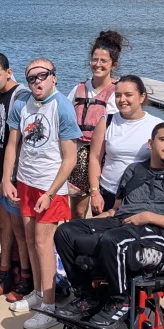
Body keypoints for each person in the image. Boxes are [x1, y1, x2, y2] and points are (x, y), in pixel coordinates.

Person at [54, 122, 164, 328]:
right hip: (123, 223)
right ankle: (87, 296)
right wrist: (101, 218)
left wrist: (147, 217)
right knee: (66, 231)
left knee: (114, 239)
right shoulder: (134, 170)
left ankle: (120, 300)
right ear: (151, 144)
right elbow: (117, 209)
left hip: (159, 236)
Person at [0, 58, 81, 329]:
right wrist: (6, 178)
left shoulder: (62, 107)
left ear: (54, 78)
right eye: (32, 77)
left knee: (43, 243)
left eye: (42, 76)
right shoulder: (21, 104)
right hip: (25, 183)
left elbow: (70, 158)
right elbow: (12, 145)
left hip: (50, 186)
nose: (37, 81)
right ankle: (37, 292)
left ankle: (49, 307)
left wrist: (51, 191)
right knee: (29, 240)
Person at [0, 53, 32, 301]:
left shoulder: (21, 97)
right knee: (4, 226)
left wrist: (11, 177)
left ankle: (25, 275)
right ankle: (4, 271)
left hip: (14, 173)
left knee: (18, 229)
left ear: (8, 73)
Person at [67, 30, 124, 219]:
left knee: (100, 211)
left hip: (104, 156)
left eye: (103, 61)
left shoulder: (118, 93)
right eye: (94, 59)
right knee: (77, 210)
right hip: (78, 154)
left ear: (113, 65)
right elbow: (65, 118)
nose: (97, 64)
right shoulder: (79, 89)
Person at [87, 75, 162, 214]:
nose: (122, 100)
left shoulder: (156, 125)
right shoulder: (107, 121)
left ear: (141, 97)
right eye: (118, 95)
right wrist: (95, 192)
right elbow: (94, 158)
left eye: (128, 95)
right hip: (108, 192)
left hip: (141, 195)